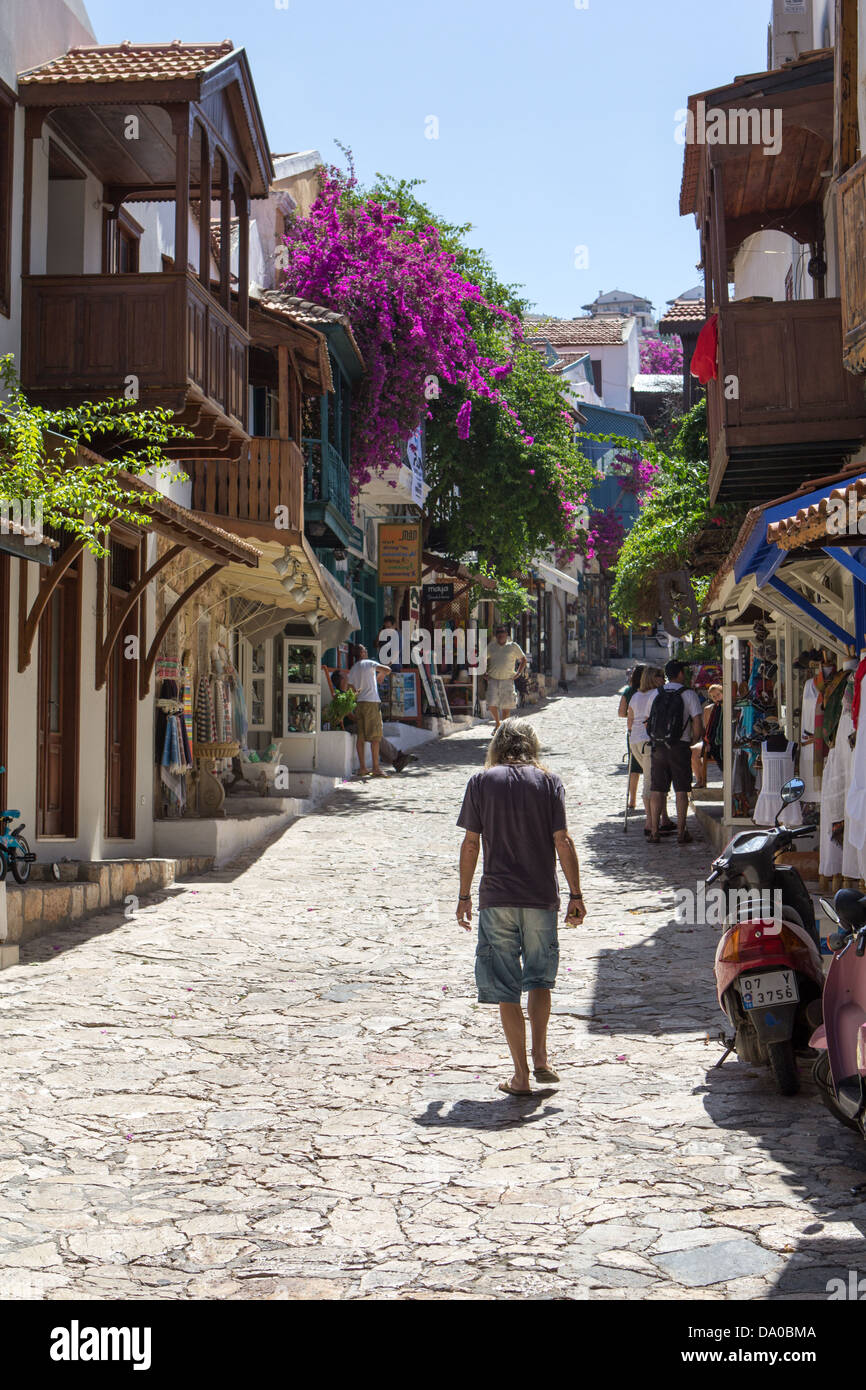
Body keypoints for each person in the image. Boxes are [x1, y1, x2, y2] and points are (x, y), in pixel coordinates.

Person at [456, 718, 586, 1096]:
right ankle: (542, 1056)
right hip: (540, 897)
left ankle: (520, 1075)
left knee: (506, 988)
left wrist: (464, 895)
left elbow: (470, 844)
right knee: (540, 979)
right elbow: (562, 841)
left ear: (497, 745)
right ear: (533, 746)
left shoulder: (481, 782)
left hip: (497, 898)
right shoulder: (548, 782)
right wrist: (576, 894)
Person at [647, 659, 703, 845]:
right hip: (679, 746)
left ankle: (654, 831)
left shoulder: (656, 693)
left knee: (657, 788)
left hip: (658, 746)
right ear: (680, 673)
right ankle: (681, 831)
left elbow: (649, 721)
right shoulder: (688, 694)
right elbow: (697, 722)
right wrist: (694, 740)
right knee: (681, 789)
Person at [330, 670, 413, 772]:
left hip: (356, 724)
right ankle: (396, 758)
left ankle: (395, 758)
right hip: (350, 726)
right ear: (341, 679)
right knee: (374, 733)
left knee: (376, 735)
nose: (348, 676)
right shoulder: (340, 696)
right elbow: (350, 716)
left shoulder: (347, 693)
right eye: (345, 676)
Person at [627, 666, 675, 836]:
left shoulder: (635, 696)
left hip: (635, 742)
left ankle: (663, 819)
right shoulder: (656, 695)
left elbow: (630, 722)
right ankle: (650, 822)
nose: (663, 679)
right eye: (660, 676)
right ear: (652, 678)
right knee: (651, 782)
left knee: (654, 780)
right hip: (649, 741)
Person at [347, 644, 391, 778]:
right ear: (363, 653)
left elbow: (351, 690)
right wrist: (382, 674)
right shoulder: (369, 663)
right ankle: (376, 768)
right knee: (375, 737)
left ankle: (363, 768)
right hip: (371, 702)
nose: (366, 652)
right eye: (365, 650)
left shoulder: (353, 669)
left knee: (360, 737)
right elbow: (387, 669)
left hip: (359, 704)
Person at [485, 625, 528, 728]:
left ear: (506, 634)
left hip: (507, 680)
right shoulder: (491, 646)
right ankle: (497, 723)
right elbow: (483, 658)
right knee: (491, 704)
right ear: (496, 635)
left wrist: (518, 673)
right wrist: (484, 672)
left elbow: (523, 659)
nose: (500, 634)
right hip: (493, 679)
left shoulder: (513, 646)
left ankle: (503, 729)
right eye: (498, 632)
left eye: (502, 632)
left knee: (506, 707)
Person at [617, 664, 645, 811]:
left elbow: (621, 713)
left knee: (634, 768)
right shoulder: (652, 691)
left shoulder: (629, 692)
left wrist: (634, 715)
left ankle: (632, 800)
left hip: (633, 732)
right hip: (650, 733)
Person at [692, 683, 723, 788]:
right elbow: (706, 729)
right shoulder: (709, 709)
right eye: (713, 696)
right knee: (693, 750)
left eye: (718, 695)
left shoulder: (726, 707)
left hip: (722, 740)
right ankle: (700, 779)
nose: (716, 698)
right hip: (710, 739)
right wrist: (706, 742)